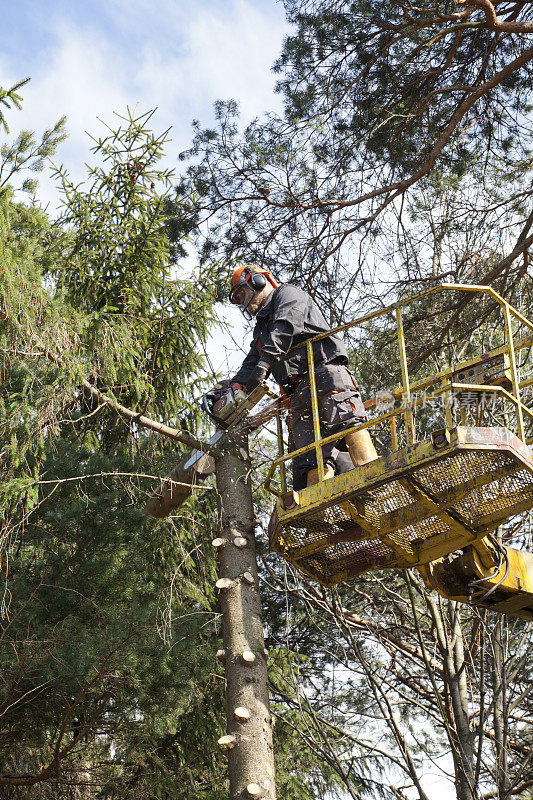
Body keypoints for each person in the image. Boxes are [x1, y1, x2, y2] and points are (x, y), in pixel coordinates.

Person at [225, 264, 377, 488]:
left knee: (348, 423)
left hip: (325, 374)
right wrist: (234, 387)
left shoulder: (288, 295)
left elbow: (286, 326)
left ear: (258, 281)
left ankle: (376, 477)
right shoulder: (261, 328)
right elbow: (251, 362)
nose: (243, 302)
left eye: (242, 293)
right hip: (297, 394)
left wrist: (265, 363)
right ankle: (321, 511)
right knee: (308, 454)